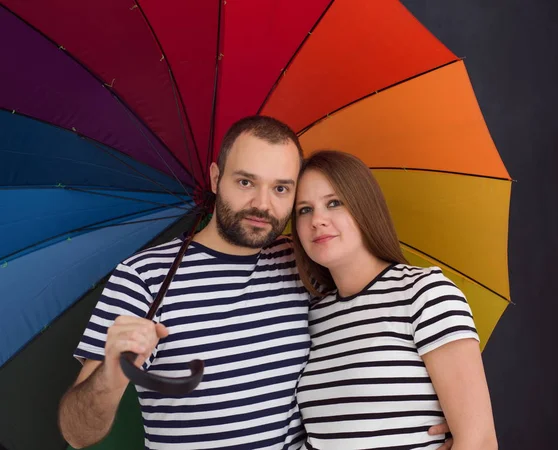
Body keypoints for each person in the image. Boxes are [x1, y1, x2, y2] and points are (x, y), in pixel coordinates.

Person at [58, 116, 453, 450]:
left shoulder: (306, 259)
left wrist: (438, 420)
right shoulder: (142, 277)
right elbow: (78, 433)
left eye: (281, 188)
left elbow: (371, 338)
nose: (263, 205)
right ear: (216, 177)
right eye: (246, 182)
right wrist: (111, 373)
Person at [291, 150, 498, 450]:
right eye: (304, 210)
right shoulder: (313, 316)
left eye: (334, 203)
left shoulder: (425, 294)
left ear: (364, 208)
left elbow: (479, 442)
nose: (317, 220)